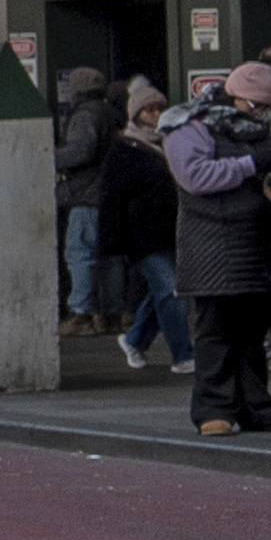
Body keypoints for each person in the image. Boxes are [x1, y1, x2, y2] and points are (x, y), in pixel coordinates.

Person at [166, 65, 271, 436]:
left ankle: (255, 407)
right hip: (212, 248)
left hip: (259, 245)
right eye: (255, 105)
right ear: (235, 96)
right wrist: (250, 165)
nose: (261, 113)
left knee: (251, 335)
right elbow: (195, 177)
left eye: (266, 107)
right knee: (215, 333)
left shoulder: (262, 129)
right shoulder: (189, 127)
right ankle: (214, 408)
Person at [102, 80, 192, 371]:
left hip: (173, 229)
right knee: (170, 289)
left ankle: (135, 340)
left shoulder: (173, 140)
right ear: (136, 113)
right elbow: (112, 197)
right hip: (142, 234)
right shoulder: (125, 148)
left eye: (159, 108)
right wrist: (114, 239)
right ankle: (183, 354)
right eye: (148, 110)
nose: (154, 114)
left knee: (164, 289)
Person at [52, 64, 117, 330]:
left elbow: (81, 151)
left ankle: (81, 313)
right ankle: (111, 314)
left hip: (87, 194)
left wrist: (47, 155)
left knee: (80, 252)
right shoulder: (112, 113)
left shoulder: (84, 115)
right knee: (111, 257)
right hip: (111, 193)